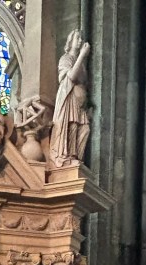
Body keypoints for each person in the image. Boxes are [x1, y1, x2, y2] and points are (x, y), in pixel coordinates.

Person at [50, 29, 91, 168]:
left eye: (81, 38)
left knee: (85, 129)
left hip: (79, 103)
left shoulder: (82, 65)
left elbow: (84, 82)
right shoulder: (65, 58)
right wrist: (82, 55)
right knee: (72, 124)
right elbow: (71, 77)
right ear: (70, 41)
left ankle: (77, 157)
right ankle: (69, 156)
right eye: (77, 38)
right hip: (68, 96)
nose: (80, 41)